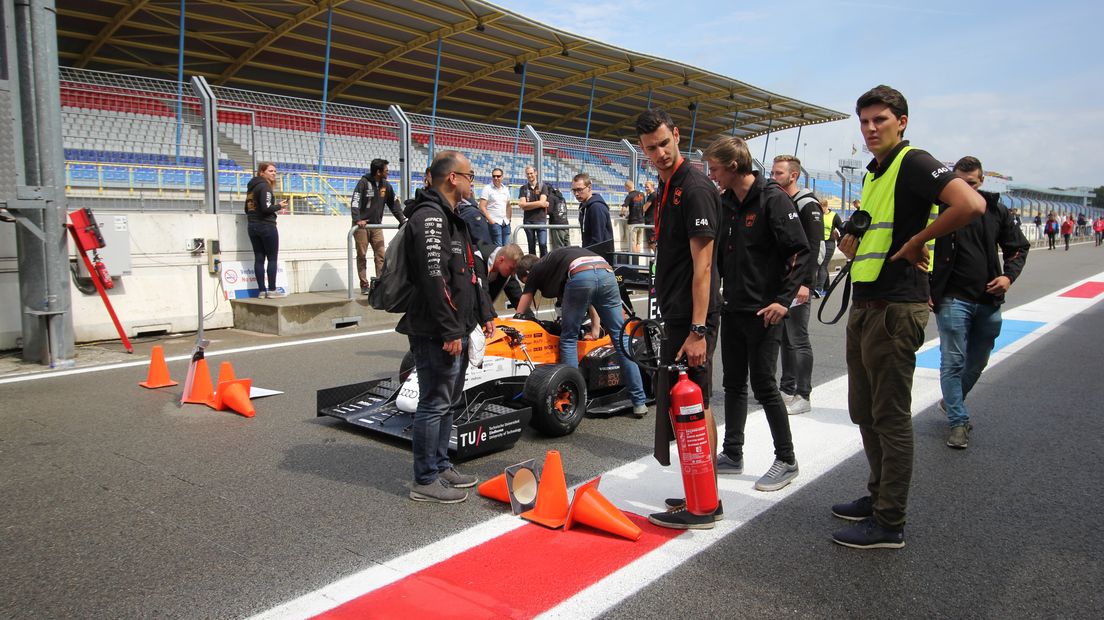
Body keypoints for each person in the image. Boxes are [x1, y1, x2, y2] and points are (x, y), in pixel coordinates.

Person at [831, 85, 984, 550]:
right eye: (865, 121)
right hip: (867, 302)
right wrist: (849, 246)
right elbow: (877, 231)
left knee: (890, 417)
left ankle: (889, 522)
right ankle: (879, 497)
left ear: (902, 121)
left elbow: (970, 204)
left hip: (897, 307)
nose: (871, 128)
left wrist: (919, 241)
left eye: (880, 119)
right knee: (864, 412)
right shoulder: (875, 174)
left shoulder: (913, 161)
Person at [635, 107, 722, 530]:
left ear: (677, 135)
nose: (660, 153)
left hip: (694, 319)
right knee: (681, 405)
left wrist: (698, 330)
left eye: (665, 144)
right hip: (677, 314)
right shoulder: (666, 186)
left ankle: (706, 502)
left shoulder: (695, 187)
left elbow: (703, 267)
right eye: (652, 148)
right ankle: (698, 490)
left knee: (697, 403)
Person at [706, 141, 809, 494]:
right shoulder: (724, 201)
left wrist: (784, 300)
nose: (712, 174)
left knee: (765, 385)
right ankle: (732, 454)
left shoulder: (773, 198)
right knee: (733, 384)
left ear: (734, 165)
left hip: (765, 311)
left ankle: (787, 458)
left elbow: (800, 251)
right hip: (733, 307)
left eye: (716, 168)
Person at [397, 151, 495, 504]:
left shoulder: (453, 218)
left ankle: (440, 465)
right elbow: (432, 278)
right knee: (434, 403)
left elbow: (471, 273)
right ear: (453, 178)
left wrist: (485, 314)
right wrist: (450, 330)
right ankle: (424, 479)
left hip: (458, 326)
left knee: (449, 402)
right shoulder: (430, 218)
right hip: (437, 330)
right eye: (470, 175)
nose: (473, 181)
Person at [931, 156, 1029, 450]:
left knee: (978, 360)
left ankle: (951, 402)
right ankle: (958, 422)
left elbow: (1018, 248)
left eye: (970, 183)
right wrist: (926, 287)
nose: (964, 187)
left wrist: (1008, 278)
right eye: (958, 182)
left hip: (988, 297)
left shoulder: (996, 209)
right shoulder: (938, 208)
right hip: (951, 298)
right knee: (953, 361)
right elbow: (919, 249)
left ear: (981, 181)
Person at [512, 248, 647, 416]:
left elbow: (523, 304)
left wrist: (516, 321)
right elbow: (591, 295)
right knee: (620, 338)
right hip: (605, 271)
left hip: (580, 275)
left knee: (568, 339)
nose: (532, 285)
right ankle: (639, 402)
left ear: (527, 272)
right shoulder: (558, 260)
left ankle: (575, 403)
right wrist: (596, 329)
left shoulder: (535, 267)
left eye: (526, 281)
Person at [772, 155, 822, 416]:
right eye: (772, 172)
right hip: (781, 283)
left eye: (778, 173)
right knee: (784, 339)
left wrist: (805, 283)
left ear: (793, 176)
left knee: (798, 339)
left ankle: (804, 394)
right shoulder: (781, 201)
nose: (773, 177)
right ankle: (787, 388)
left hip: (798, 285)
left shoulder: (807, 204)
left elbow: (812, 248)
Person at [350, 159, 407, 295]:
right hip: (361, 227)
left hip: (376, 226)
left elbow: (394, 205)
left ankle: (380, 284)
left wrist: (403, 220)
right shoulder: (363, 183)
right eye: (386, 170)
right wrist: (358, 220)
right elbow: (355, 202)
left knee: (381, 255)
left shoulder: (386, 185)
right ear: (378, 172)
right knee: (362, 255)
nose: (388, 172)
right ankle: (364, 285)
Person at [245, 161, 287, 299]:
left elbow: (247, 209)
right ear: (262, 172)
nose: (274, 173)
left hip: (252, 226)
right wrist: (278, 206)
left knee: (259, 258)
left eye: (275, 171)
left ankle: (262, 291)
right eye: (270, 171)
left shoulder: (251, 188)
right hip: (266, 226)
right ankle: (272, 290)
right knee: (272, 258)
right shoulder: (265, 187)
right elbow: (266, 208)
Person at [474, 241, 523, 308]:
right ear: (501, 260)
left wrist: (529, 317)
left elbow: (517, 298)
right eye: (511, 269)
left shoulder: (507, 264)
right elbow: (483, 298)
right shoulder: (477, 257)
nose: (513, 274)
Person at [573, 173, 613, 249]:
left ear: (589, 188)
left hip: (599, 256)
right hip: (590, 253)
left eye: (579, 190)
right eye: (574, 190)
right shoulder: (583, 207)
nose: (576, 194)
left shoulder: (596, 207)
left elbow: (597, 240)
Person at [518, 166, 549, 256]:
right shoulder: (523, 188)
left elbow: (525, 204)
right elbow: (523, 205)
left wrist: (527, 205)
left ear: (535, 173)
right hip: (528, 221)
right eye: (527, 174)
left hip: (540, 220)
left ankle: (545, 265)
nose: (529, 175)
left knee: (543, 245)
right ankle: (533, 267)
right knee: (531, 247)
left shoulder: (543, 186)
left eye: (531, 173)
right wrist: (540, 203)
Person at [479, 167, 512, 246]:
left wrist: (509, 219)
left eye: (498, 176)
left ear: (502, 177)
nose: (496, 178)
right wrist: (491, 221)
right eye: (494, 176)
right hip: (494, 222)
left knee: (506, 249)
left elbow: (508, 205)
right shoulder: (487, 188)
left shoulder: (506, 189)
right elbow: (482, 206)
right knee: (498, 249)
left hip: (505, 222)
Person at [818, 199, 844, 296]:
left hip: (829, 243)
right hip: (820, 242)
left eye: (822, 209)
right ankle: (827, 288)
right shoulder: (818, 215)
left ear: (826, 207)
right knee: (822, 265)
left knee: (823, 265)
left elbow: (841, 228)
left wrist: (840, 240)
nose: (821, 211)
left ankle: (818, 288)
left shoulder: (834, 216)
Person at [620, 180, 646, 252]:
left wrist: (622, 214)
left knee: (633, 243)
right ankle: (637, 260)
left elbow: (624, 208)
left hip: (633, 223)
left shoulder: (629, 196)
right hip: (642, 222)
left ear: (627, 187)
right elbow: (644, 207)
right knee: (638, 243)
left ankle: (634, 260)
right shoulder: (642, 194)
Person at [642, 180, 657, 252]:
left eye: (647, 187)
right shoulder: (656, 194)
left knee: (652, 243)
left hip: (650, 221)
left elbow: (645, 208)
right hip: (653, 221)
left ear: (652, 186)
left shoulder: (652, 195)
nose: (646, 188)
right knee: (652, 243)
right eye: (645, 187)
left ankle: (658, 259)